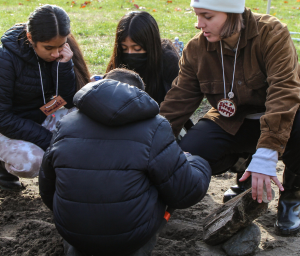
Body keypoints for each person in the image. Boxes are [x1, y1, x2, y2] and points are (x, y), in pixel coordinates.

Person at [160, 0, 300, 236]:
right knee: (191, 150)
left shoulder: (272, 34)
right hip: (230, 120)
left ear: (232, 12)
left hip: (281, 118)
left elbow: (285, 91)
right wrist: (148, 142)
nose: (198, 24)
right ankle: (244, 171)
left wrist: (268, 152)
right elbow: (178, 101)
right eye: (197, 14)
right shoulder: (197, 48)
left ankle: (292, 198)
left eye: (207, 16)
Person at [39, 68, 211, 256]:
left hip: (72, 232)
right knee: (167, 179)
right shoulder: (156, 126)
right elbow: (186, 192)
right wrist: (198, 161)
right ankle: (138, 249)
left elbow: (47, 186)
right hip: (130, 238)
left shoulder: (66, 123)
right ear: (140, 95)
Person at [0, 4, 90, 191]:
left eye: (60, 46)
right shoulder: (5, 60)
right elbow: (3, 117)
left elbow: (67, 99)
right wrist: (47, 140)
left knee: (82, 118)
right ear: (30, 37)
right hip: (6, 126)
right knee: (36, 161)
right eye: (49, 48)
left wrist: (64, 66)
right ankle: (2, 166)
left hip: (39, 116)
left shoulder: (59, 54)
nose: (55, 53)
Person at [106, 11, 180, 105]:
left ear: (150, 46)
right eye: (124, 48)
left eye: (137, 49)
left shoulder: (168, 60)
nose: (130, 53)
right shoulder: (119, 58)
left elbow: (177, 103)